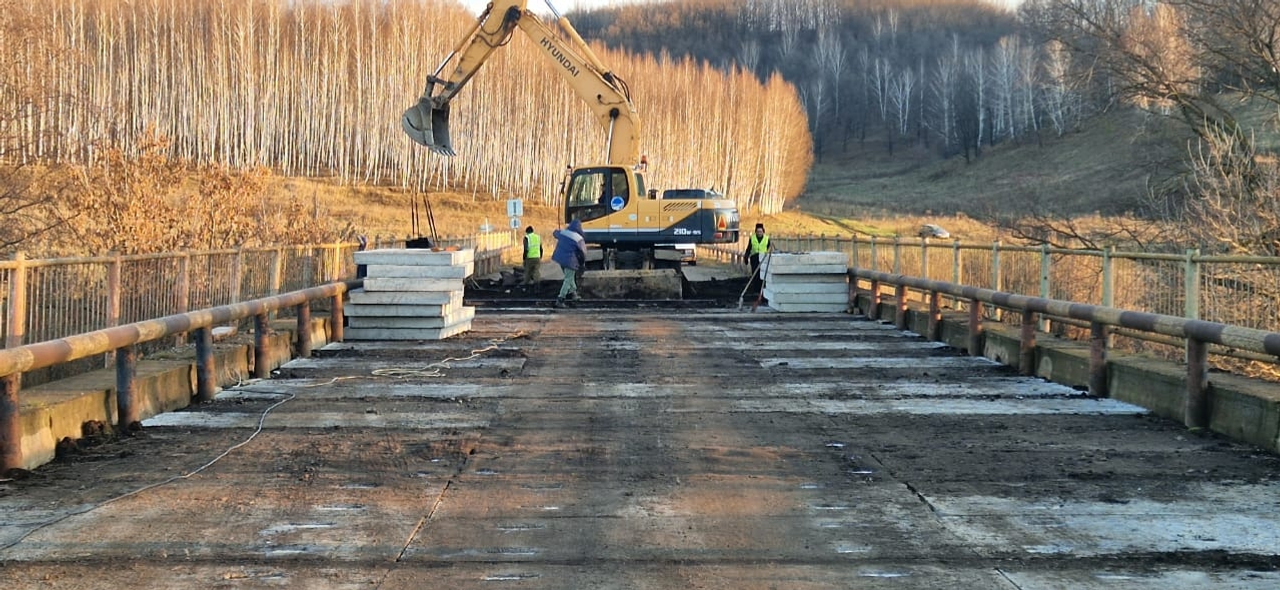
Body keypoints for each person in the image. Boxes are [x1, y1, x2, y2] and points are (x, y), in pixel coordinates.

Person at [551, 219, 587, 308]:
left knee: (569, 277)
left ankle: (574, 294)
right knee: (568, 279)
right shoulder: (579, 238)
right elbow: (583, 252)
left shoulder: (564, 233)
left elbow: (555, 233)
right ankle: (560, 299)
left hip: (559, 258)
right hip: (570, 261)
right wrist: (582, 264)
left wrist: (559, 231)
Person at [743, 222, 771, 289]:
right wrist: (746, 257)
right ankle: (755, 288)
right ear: (755, 232)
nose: (759, 233)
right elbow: (749, 248)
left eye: (760, 231)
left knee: (762, 274)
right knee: (755, 274)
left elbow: (769, 249)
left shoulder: (767, 239)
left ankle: (762, 288)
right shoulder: (752, 238)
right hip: (754, 258)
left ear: (763, 231)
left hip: (763, 259)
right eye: (758, 231)